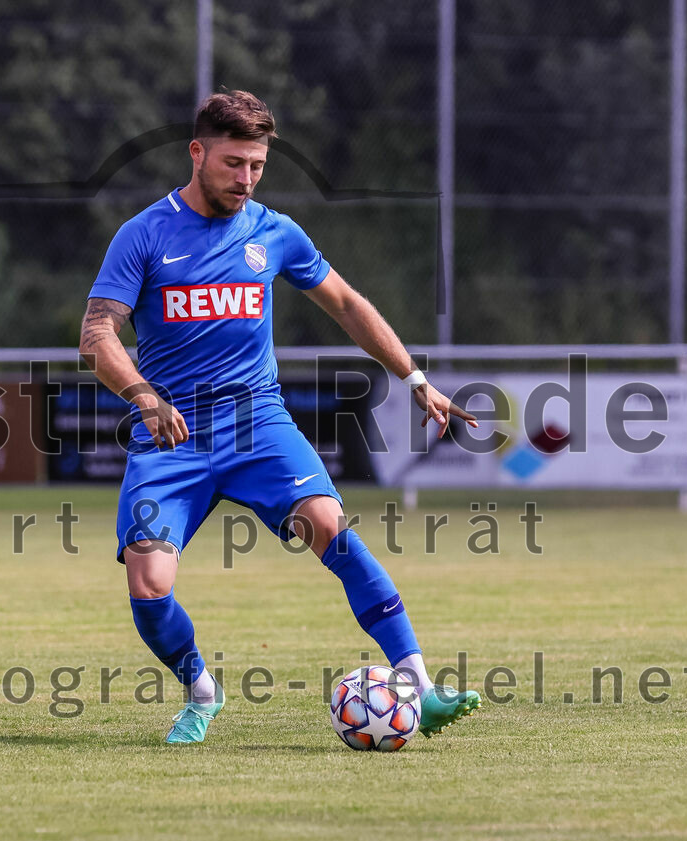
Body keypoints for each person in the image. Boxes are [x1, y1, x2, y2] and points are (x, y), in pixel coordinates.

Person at [80, 90, 481, 744]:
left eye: (258, 166)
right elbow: (96, 338)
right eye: (234, 163)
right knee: (149, 586)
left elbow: (347, 303)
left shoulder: (274, 232)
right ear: (197, 151)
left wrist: (413, 376)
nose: (245, 179)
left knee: (331, 526)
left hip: (258, 423)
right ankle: (200, 688)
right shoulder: (145, 234)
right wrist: (146, 397)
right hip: (171, 433)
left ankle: (420, 686)